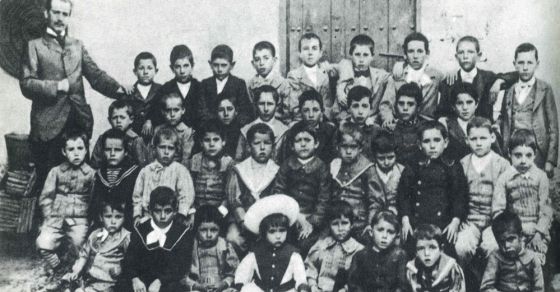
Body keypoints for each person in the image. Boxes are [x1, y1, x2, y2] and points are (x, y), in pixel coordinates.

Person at [20, 0, 130, 189]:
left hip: (78, 121)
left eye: (65, 14)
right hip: (48, 126)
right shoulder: (34, 46)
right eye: (56, 13)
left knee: (81, 182)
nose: (60, 18)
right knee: (48, 182)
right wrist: (56, 86)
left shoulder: (77, 46)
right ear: (46, 14)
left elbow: (95, 75)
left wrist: (117, 89)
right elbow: (26, 83)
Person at [397, 120, 468, 255]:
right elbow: (403, 193)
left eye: (437, 140)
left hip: (444, 224)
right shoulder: (413, 165)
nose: (432, 146)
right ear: (419, 145)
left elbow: (460, 196)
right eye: (427, 141)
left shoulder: (453, 166)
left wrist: (455, 221)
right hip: (417, 223)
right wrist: (405, 218)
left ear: (445, 143)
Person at [36, 129, 95, 290]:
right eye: (71, 149)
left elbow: (93, 200)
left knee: (78, 243)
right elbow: (46, 197)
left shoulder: (91, 174)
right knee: (43, 242)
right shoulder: (55, 172)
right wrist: (49, 218)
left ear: (86, 150)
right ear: (64, 151)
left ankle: (73, 275)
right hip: (56, 217)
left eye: (80, 148)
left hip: (79, 219)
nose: (76, 153)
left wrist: (90, 221)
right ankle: (59, 269)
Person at [497, 42, 558, 177]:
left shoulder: (545, 89)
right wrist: (497, 124)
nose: (525, 67)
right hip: (513, 150)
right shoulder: (510, 90)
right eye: (521, 63)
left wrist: (550, 160)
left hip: (537, 152)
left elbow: (553, 127)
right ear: (515, 64)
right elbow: (504, 117)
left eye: (530, 63)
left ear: (537, 64)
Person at [492, 129, 553, 265]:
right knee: (510, 262)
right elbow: (498, 210)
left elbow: (546, 211)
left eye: (528, 155)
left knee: (534, 262)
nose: (523, 161)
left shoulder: (541, 177)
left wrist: (538, 234)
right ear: (509, 154)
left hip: (536, 231)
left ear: (535, 155)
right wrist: (508, 233)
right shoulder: (505, 178)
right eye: (518, 155)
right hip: (513, 231)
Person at [454, 117, 510, 262]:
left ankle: (489, 282)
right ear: (467, 140)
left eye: (483, 138)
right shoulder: (463, 163)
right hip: (470, 221)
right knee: (462, 247)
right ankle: (467, 281)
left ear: (492, 138)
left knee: (494, 247)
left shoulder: (502, 164)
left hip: (493, 221)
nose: (478, 143)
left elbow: (507, 197)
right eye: (473, 139)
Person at [120, 187, 194, 292]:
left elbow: (180, 265)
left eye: (168, 211)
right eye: (158, 211)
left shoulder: (182, 232)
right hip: (142, 282)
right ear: (150, 210)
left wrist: (160, 281)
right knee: (122, 285)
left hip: (167, 282)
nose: (163, 216)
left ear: (175, 211)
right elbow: (130, 260)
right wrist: (135, 279)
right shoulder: (141, 230)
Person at [273, 122, 330, 254]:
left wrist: (311, 223)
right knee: (283, 241)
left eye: (307, 140)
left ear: (316, 144)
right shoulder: (287, 165)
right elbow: (278, 192)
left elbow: (324, 199)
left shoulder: (321, 167)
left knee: (305, 244)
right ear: (292, 146)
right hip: (289, 216)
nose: (303, 144)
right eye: (298, 141)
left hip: (312, 219)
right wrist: (294, 216)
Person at [233, 194, 310, 292]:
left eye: (282, 230)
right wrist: (240, 284)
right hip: (261, 289)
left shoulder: (293, 254)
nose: (278, 236)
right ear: (264, 233)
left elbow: (300, 275)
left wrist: (302, 286)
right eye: (272, 231)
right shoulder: (255, 252)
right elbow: (244, 270)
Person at [226, 123, 280, 254]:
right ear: (249, 146)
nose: (262, 147)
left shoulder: (277, 170)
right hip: (243, 221)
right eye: (257, 143)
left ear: (273, 147)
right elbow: (234, 200)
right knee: (233, 237)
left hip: (268, 220)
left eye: (267, 143)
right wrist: (244, 222)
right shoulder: (239, 169)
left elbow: (278, 198)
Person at [62, 199, 131, 291]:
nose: (113, 221)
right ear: (101, 217)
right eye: (108, 217)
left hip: (108, 282)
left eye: (118, 217)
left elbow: (131, 260)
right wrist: (76, 271)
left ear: (124, 218)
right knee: (71, 286)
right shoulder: (95, 234)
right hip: (90, 277)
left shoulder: (125, 237)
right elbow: (84, 255)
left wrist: (120, 269)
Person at [132, 127, 195, 226]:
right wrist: (137, 215)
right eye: (162, 147)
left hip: (172, 218)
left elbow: (186, 196)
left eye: (170, 148)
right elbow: (137, 196)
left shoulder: (180, 170)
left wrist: (181, 215)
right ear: (154, 149)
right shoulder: (146, 171)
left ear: (176, 150)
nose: (166, 152)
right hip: (148, 217)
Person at [329, 123, 378, 242]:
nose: (349, 151)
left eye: (353, 147)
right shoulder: (334, 165)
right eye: (344, 147)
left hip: (358, 224)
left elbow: (375, 201)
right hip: (336, 223)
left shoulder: (367, 168)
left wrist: (370, 223)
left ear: (360, 148)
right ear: (337, 147)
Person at [382, 32, 444, 123]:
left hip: (426, 125)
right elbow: (386, 104)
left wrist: (453, 73)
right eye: (411, 51)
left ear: (427, 53)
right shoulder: (397, 75)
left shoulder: (436, 76)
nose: (415, 56)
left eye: (420, 51)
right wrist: (388, 119)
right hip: (401, 124)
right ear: (405, 55)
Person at [305, 201, 364, 292]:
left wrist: (346, 289)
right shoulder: (322, 245)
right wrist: (313, 286)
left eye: (344, 223)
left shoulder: (358, 250)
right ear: (329, 225)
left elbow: (358, 278)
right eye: (335, 224)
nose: (340, 229)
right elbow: (310, 267)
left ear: (351, 225)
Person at [437, 36, 500, 120]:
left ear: (479, 56)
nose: (465, 56)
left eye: (470, 52)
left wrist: (499, 81)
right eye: (461, 52)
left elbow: (515, 75)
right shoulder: (449, 81)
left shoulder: (488, 77)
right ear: (456, 57)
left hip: (483, 130)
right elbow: (441, 112)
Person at [480, 211, 544, 292]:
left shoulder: (532, 258)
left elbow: (539, 289)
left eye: (510, 239)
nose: (506, 246)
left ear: (520, 236)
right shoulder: (495, 257)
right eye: (501, 242)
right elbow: (486, 287)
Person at [90, 129, 141, 231]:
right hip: (104, 224)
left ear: (126, 152)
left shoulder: (134, 172)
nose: (112, 153)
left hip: (128, 225)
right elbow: (95, 203)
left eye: (117, 150)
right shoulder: (100, 174)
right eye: (108, 149)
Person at [335, 34, 391, 122]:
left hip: (371, 121)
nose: (361, 59)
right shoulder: (345, 68)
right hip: (348, 120)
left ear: (372, 56)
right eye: (357, 54)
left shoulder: (380, 75)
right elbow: (325, 67)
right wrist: (340, 89)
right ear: (351, 55)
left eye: (365, 55)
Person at [348, 210, 408, 292]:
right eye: (380, 230)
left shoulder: (400, 256)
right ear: (371, 232)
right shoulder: (360, 256)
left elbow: (402, 285)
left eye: (390, 232)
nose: (384, 236)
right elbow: (354, 284)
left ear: (396, 235)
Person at [146, 44, 201, 132]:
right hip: (171, 133)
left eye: (186, 66)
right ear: (172, 68)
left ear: (192, 66)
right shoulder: (166, 88)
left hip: (194, 131)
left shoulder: (200, 87)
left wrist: (188, 124)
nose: (182, 71)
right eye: (178, 66)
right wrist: (148, 120)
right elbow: (154, 108)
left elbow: (203, 113)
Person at [186, 205, 239, 292]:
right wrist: (197, 286)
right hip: (198, 287)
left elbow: (232, 272)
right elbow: (184, 276)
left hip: (220, 287)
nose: (209, 235)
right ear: (196, 230)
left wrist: (223, 284)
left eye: (214, 230)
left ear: (220, 229)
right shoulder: (191, 246)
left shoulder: (225, 245)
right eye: (203, 230)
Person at [200, 44, 254, 126]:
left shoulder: (239, 84)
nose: (219, 69)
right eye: (216, 65)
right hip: (212, 129)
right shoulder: (205, 84)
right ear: (210, 64)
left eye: (224, 65)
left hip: (234, 129)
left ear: (232, 65)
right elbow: (202, 111)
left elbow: (245, 112)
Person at [279, 90, 338, 164]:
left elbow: (333, 158)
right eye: (306, 110)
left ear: (322, 111)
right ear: (300, 112)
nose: (311, 115)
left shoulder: (330, 131)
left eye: (315, 110)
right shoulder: (293, 131)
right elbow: (287, 159)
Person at [187, 120, 234, 210]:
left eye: (216, 139)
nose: (211, 144)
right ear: (201, 142)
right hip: (197, 209)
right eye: (207, 140)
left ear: (223, 141)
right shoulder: (195, 161)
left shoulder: (228, 163)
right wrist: (192, 209)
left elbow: (230, 192)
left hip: (221, 211)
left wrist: (222, 210)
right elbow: (188, 189)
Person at [287, 33, 335, 121]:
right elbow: (294, 106)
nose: (310, 53)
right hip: (301, 120)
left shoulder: (324, 74)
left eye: (314, 48)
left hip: (321, 120)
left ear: (320, 53)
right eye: (305, 49)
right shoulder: (294, 75)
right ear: (300, 53)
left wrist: (321, 121)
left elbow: (327, 104)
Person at [406, 224, 466, 292]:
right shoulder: (412, 269)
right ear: (415, 252)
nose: (427, 253)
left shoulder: (451, 268)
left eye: (432, 247)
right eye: (421, 248)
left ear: (441, 249)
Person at [236, 85, 289, 162]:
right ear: (255, 105)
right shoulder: (245, 130)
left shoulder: (284, 131)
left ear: (277, 105)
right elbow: (238, 160)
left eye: (270, 104)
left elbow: (286, 162)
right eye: (261, 104)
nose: (266, 109)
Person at [90, 100, 150, 168]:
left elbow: (142, 166)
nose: (118, 121)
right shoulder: (103, 138)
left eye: (122, 117)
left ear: (131, 119)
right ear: (109, 120)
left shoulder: (135, 140)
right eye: (115, 118)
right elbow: (95, 163)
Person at [120, 51, 162, 140]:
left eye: (150, 68)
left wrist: (151, 120)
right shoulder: (129, 92)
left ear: (156, 71)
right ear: (135, 71)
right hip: (133, 137)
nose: (145, 72)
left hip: (157, 137)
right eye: (141, 68)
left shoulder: (162, 90)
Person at [248, 41, 293, 124]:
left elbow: (288, 115)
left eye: (266, 58)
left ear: (274, 60)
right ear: (253, 63)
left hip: (279, 126)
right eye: (257, 59)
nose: (261, 63)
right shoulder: (250, 85)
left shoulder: (283, 84)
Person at [338, 86, 384, 160]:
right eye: (355, 106)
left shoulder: (377, 131)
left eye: (365, 106)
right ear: (349, 109)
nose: (360, 111)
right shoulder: (341, 130)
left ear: (370, 108)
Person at [390, 83, 429, 166]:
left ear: (418, 107)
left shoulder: (427, 128)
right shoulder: (391, 129)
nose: (405, 108)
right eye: (401, 103)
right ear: (396, 105)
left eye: (410, 104)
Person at [153, 92, 196, 165]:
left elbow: (185, 159)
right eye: (168, 110)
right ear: (163, 111)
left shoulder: (187, 132)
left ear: (183, 110)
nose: (172, 114)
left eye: (176, 110)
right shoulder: (158, 130)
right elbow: (153, 154)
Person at [369, 131, 404, 216]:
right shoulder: (369, 172)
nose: (386, 162)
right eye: (381, 158)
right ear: (374, 156)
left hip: (396, 215)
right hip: (374, 215)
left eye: (390, 157)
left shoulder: (402, 171)